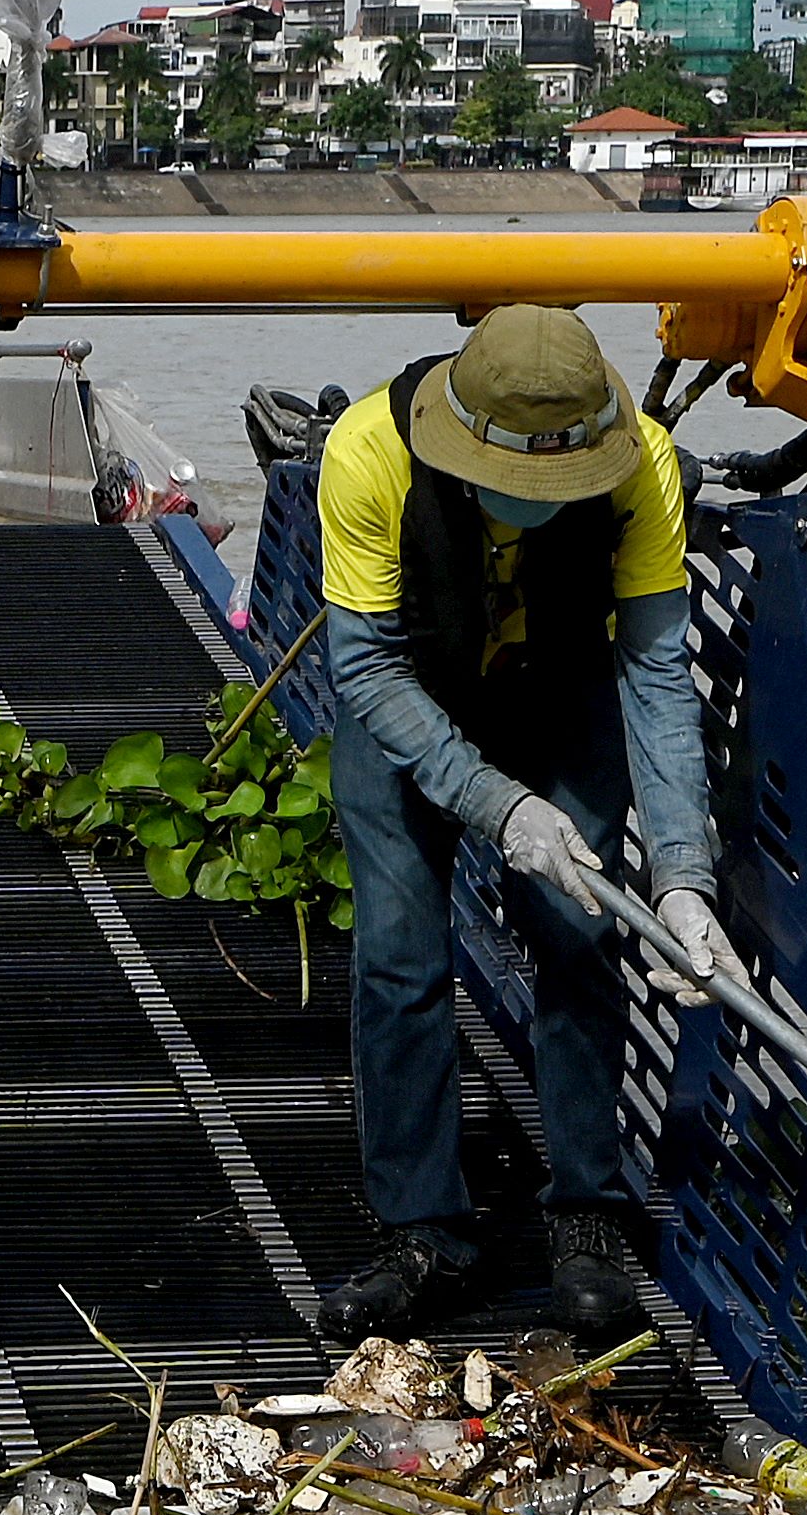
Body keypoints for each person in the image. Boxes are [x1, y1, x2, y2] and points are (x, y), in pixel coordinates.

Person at [306, 300, 746, 1351]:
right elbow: (362, 663)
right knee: (401, 956)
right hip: (408, 686)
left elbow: (652, 667)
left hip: (560, 686)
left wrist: (683, 873)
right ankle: (426, 1234)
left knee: (583, 929)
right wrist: (499, 806)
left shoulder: (642, 462)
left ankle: (587, 1214)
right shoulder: (369, 451)